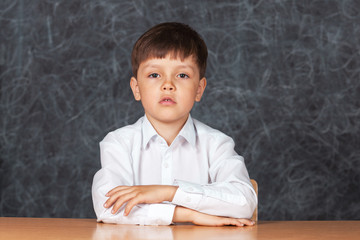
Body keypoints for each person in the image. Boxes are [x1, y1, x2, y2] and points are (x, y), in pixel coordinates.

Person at [92, 22, 257, 226]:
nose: (168, 84)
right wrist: (188, 215)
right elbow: (108, 208)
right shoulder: (118, 143)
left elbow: (244, 202)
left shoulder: (217, 143)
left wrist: (167, 192)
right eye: (154, 75)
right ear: (136, 88)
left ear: (199, 89)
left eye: (182, 75)